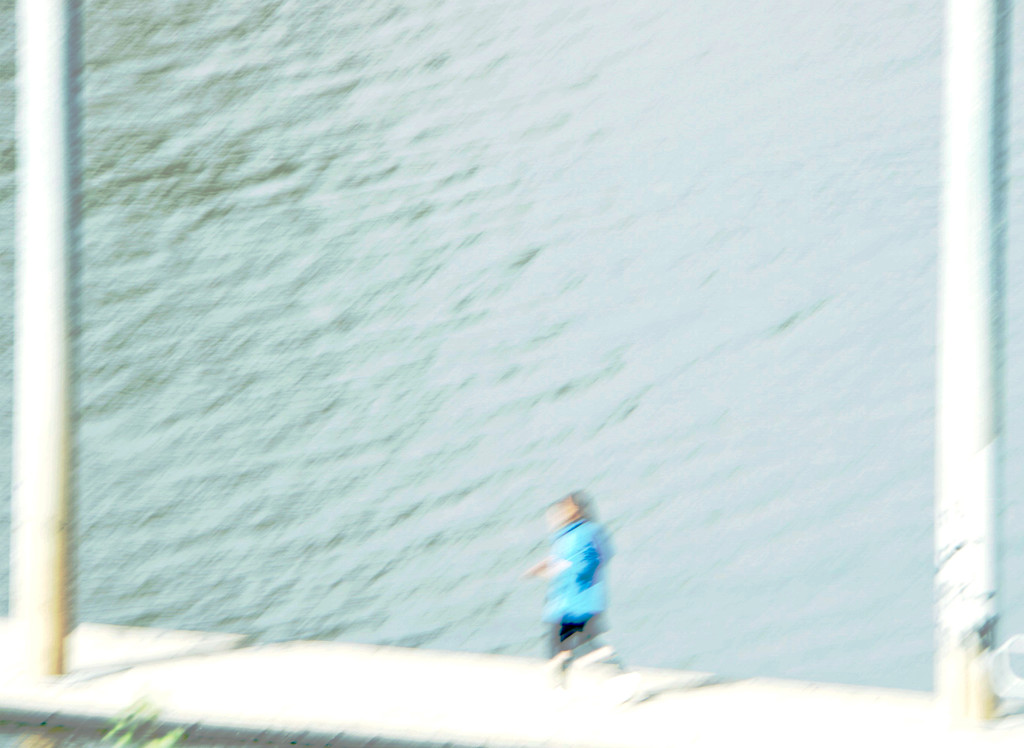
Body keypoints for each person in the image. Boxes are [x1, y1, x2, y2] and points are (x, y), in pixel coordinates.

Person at [524, 491, 638, 700]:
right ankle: (560, 690)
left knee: (581, 646)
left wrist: (561, 569)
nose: (556, 516)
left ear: (576, 511)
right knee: (562, 648)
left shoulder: (584, 533)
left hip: (577, 604)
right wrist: (547, 567)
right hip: (565, 603)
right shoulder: (569, 534)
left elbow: (586, 562)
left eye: (563, 510)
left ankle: (619, 678)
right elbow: (568, 560)